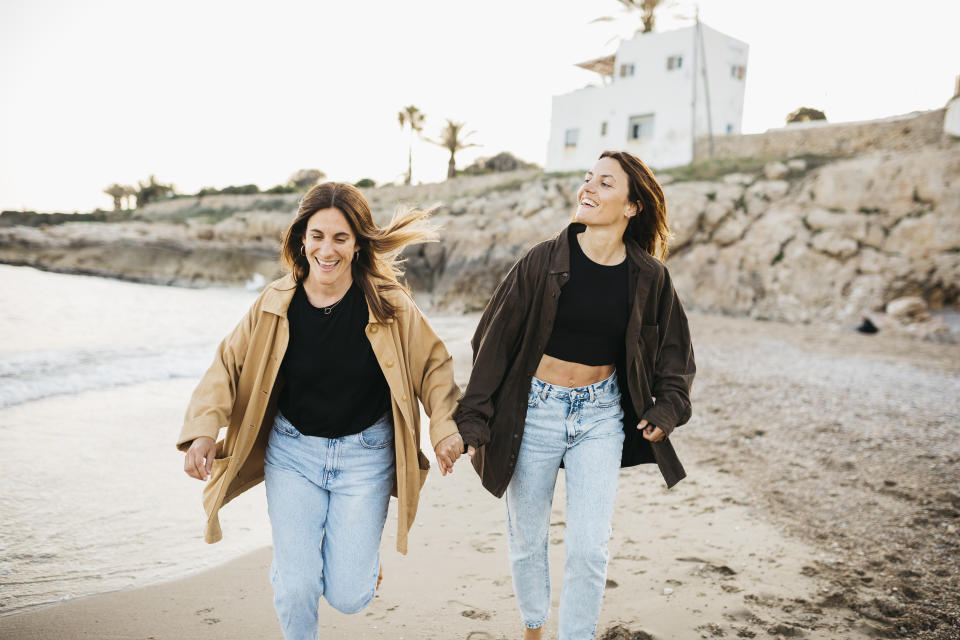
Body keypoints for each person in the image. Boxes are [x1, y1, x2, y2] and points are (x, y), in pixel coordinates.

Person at [176, 182, 467, 640]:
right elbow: (227, 366)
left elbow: (433, 365)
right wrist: (203, 432)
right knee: (296, 587)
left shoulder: (387, 302)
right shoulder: (275, 302)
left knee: (349, 596)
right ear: (301, 239)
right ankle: (295, 572)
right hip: (293, 456)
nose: (326, 249)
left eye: (339, 238)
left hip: (366, 458)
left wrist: (444, 426)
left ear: (357, 244)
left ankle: (354, 562)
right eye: (317, 236)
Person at [455, 151, 696, 640]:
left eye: (606, 183)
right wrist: (474, 421)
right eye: (588, 179)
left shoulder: (649, 277)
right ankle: (534, 628)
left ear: (632, 207)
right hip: (534, 410)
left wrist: (666, 409)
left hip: (600, 415)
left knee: (589, 548)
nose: (589, 188)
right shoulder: (542, 261)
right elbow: (492, 343)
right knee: (527, 540)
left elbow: (676, 356)